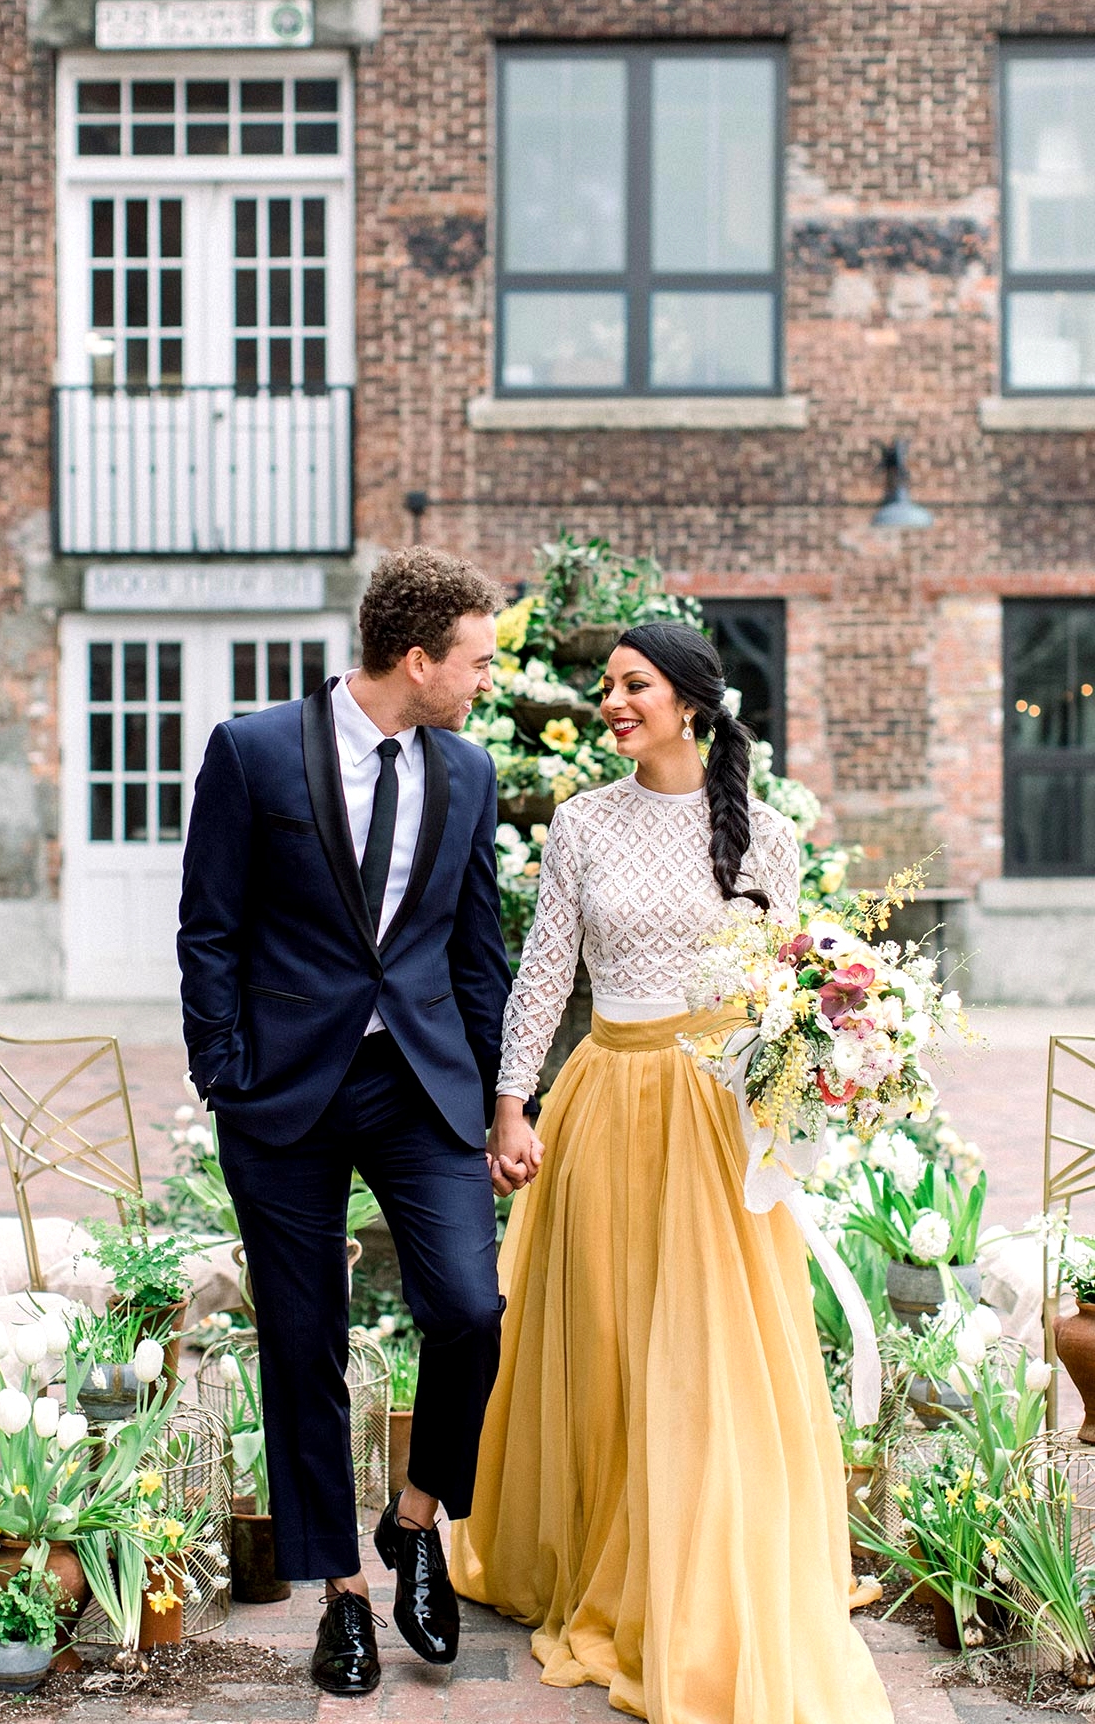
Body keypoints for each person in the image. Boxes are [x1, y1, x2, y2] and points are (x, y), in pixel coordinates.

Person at [451, 621, 893, 1723]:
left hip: (713, 1117)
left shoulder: (766, 833)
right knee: (604, 1336)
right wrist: (509, 1104)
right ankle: (602, 1544)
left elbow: (798, 995)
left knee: (705, 1345)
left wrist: (821, 1084)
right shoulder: (581, 823)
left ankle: (698, 1557)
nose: (610, 701)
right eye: (604, 686)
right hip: (604, 1097)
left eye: (631, 684)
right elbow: (542, 975)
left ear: (689, 702)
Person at [177, 547, 513, 1698]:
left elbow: (478, 950)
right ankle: (345, 1598)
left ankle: (415, 1521)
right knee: (302, 1340)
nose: (483, 680)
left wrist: (502, 1095)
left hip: (421, 1082)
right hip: (281, 1088)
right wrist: (221, 1069)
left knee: (470, 1306)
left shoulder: (464, 770)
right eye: (472, 660)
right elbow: (208, 925)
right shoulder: (254, 749)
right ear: (415, 658)